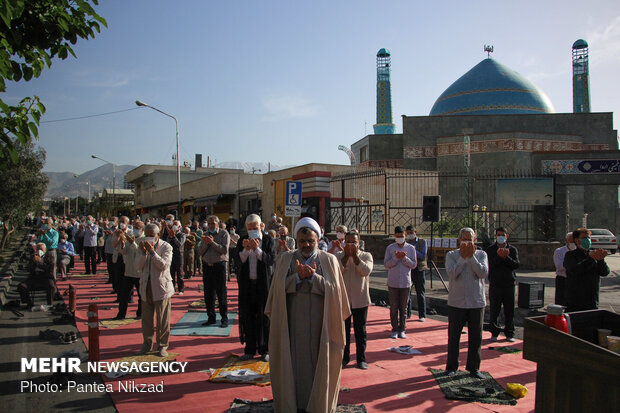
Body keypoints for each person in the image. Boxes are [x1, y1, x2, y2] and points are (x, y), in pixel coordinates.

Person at [265, 217, 350, 413]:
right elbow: (276, 291)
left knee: (319, 365)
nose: (306, 245)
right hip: (292, 324)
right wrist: (296, 278)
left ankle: (318, 405)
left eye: (310, 241)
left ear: (317, 239)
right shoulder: (285, 259)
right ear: (297, 239)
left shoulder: (329, 260)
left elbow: (337, 293)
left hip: (322, 325)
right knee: (292, 365)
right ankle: (292, 404)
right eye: (302, 241)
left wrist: (313, 278)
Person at [445, 227, 489, 379]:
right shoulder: (451, 255)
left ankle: (474, 368)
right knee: (454, 336)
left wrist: (471, 258)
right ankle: (451, 366)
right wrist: (463, 259)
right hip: (457, 302)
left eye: (469, 239)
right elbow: (451, 274)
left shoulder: (481, 254)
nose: (467, 242)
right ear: (459, 240)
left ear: (474, 240)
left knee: (476, 336)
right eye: (464, 239)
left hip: (476, 302)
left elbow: (483, 273)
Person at [236, 214, 276, 361]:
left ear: (261, 226)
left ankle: (265, 349)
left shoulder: (267, 240)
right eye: (250, 228)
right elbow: (238, 262)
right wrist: (246, 250)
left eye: (255, 228)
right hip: (247, 285)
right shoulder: (242, 240)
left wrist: (257, 250)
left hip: (263, 285)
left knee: (264, 317)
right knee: (248, 316)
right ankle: (250, 348)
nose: (253, 230)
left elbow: (271, 260)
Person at [135, 223, 174, 357]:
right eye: (147, 235)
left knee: (163, 319)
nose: (149, 238)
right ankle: (147, 344)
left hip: (161, 287)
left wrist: (152, 252)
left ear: (158, 235)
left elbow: (163, 265)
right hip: (146, 286)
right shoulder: (141, 245)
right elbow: (138, 266)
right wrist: (143, 253)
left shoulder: (166, 246)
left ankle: (162, 345)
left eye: (152, 235)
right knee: (146, 319)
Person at [335, 231, 373, 370]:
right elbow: (335, 271)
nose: (351, 245)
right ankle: (344, 358)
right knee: (343, 331)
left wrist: (355, 257)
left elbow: (366, 271)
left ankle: (361, 358)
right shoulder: (338, 256)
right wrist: (346, 256)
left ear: (359, 243)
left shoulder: (366, 256)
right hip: (343, 299)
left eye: (354, 242)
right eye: (348, 242)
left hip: (360, 299)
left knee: (360, 330)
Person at [485, 227, 520, 342]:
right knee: (495, 309)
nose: (501, 236)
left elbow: (516, 264)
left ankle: (509, 333)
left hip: (509, 284)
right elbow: (490, 265)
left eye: (502, 235)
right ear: (495, 236)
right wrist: (499, 257)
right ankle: (494, 332)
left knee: (509, 310)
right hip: (495, 284)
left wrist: (506, 257)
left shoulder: (512, 249)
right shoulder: (491, 249)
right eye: (498, 234)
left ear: (506, 236)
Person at [564, 227, 610, 312]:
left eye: (589, 238)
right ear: (577, 240)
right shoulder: (570, 255)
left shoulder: (593, 254)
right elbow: (575, 270)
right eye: (584, 238)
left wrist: (601, 260)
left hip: (592, 301)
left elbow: (604, 272)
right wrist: (591, 259)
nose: (588, 240)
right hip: (575, 302)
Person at [384, 226, 417, 339]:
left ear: (405, 236)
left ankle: (402, 329)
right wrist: (396, 259)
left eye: (401, 236)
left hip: (405, 282)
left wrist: (404, 258)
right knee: (393, 307)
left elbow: (413, 265)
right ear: (394, 236)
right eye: (397, 236)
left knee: (403, 308)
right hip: (393, 282)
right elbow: (386, 264)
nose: (400, 238)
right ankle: (394, 329)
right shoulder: (390, 248)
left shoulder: (411, 248)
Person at [199, 215, 230, 327]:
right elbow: (200, 252)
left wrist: (212, 243)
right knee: (208, 294)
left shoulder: (224, 234)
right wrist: (207, 243)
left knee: (221, 293)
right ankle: (211, 317)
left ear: (218, 223)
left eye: (213, 223)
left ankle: (224, 319)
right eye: (209, 223)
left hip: (219, 266)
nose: (211, 225)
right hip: (207, 266)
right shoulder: (205, 235)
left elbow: (224, 250)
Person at [114, 221, 144, 320]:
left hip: (139, 273)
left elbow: (140, 253)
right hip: (129, 271)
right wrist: (122, 244)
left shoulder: (144, 240)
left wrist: (133, 243)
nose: (135, 229)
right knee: (124, 295)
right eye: (134, 227)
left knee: (141, 295)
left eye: (137, 228)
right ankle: (121, 314)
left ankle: (140, 314)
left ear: (142, 230)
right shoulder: (129, 238)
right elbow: (123, 252)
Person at [18, 243, 57, 308]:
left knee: (51, 286)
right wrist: (33, 262)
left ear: (45, 250)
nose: (39, 250)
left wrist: (40, 263)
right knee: (22, 286)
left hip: (46, 278)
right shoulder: (33, 257)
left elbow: (50, 270)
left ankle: (50, 304)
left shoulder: (49, 258)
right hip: (34, 278)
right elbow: (29, 269)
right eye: (38, 249)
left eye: (41, 249)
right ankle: (29, 303)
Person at [405, 225, 428, 322]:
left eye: (411, 232)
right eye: (408, 233)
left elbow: (423, 256)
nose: (410, 235)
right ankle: (408, 314)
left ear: (415, 232)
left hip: (419, 269)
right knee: (407, 293)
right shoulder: (407, 243)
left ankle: (422, 315)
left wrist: (414, 250)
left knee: (420, 293)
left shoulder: (422, 242)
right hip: (410, 269)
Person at [161, 217, 186, 295]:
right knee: (171, 272)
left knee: (180, 273)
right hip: (171, 255)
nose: (174, 226)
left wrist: (174, 237)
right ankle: (172, 288)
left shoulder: (182, 234)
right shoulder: (170, 234)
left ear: (179, 227)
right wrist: (170, 236)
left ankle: (181, 289)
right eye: (173, 225)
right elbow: (166, 243)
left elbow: (179, 244)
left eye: (176, 225)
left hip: (179, 255)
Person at [553, 232, 574, 306]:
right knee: (561, 300)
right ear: (567, 240)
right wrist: (571, 265)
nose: (573, 243)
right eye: (571, 241)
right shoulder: (559, 251)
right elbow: (559, 266)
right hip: (562, 279)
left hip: (573, 279)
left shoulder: (577, 252)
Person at [36, 217, 59, 281]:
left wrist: (45, 235)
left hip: (52, 251)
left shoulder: (55, 233)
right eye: (45, 223)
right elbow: (38, 242)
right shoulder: (43, 232)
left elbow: (52, 242)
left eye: (47, 223)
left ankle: (53, 281)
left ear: (51, 224)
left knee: (53, 267)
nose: (46, 225)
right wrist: (41, 235)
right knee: (44, 267)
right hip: (44, 251)